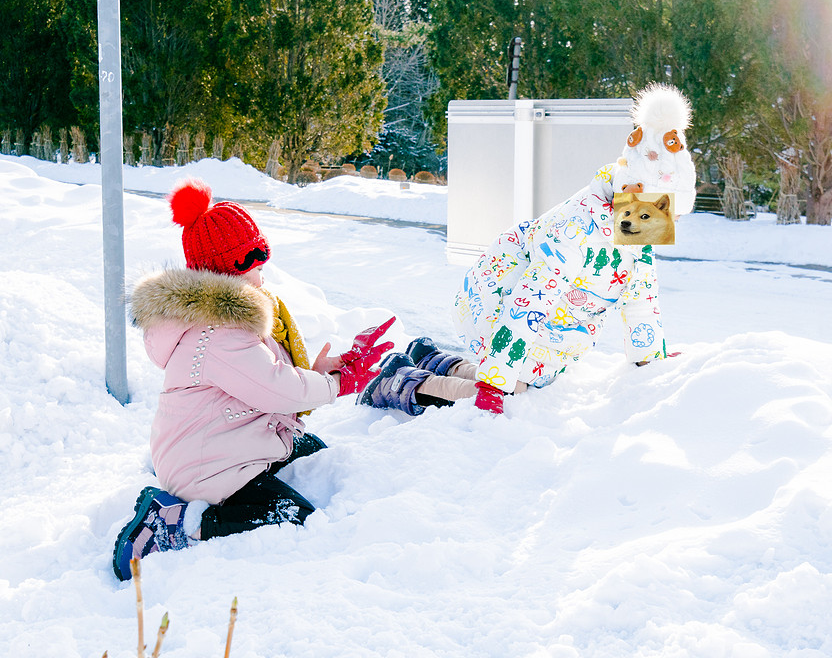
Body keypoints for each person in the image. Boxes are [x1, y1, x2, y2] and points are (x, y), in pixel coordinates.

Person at [112, 179, 393, 581]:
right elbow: (277, 387)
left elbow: (268, 380)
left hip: (227, 441)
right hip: (206, 466)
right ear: (229, 274)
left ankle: (236, 482)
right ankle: (170, 528)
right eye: (255, 266)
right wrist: (334, 385)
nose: (263, 276)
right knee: (290, 515)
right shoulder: (217, 334)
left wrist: (317, 374)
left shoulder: (226, 321)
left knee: (313, 452)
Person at [358, 83, 695, 416]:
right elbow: (527, 304)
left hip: (553, 324)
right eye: (665, 211)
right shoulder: (574, 233)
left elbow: (640, 297)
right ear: (634, 195)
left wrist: (651, 358)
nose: (670, 222)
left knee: (529, 383)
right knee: (511, 393)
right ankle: (399, 383)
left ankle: (433, 359)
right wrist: (495, 381)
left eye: (676, 214)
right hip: (498, 303)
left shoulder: (636, 227)